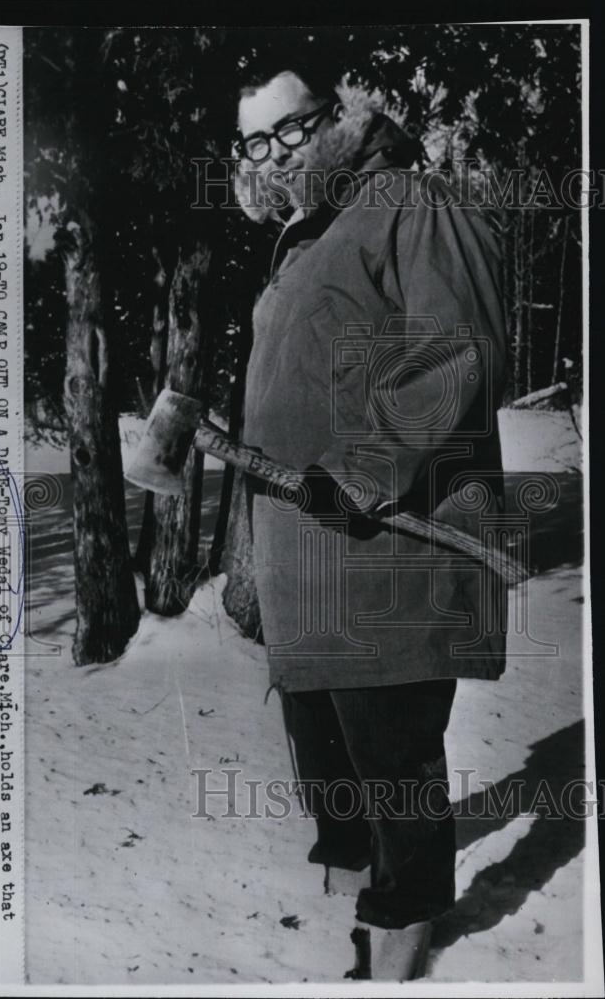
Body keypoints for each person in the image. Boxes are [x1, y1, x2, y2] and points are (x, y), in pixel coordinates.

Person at [232, 62, 508, 981]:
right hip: (306, 573)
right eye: (250, 143)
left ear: (329, 124)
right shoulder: (305, 243)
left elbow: (457, 352)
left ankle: (403, 938)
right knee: (331, 775)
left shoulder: (408, 202)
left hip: (390, 555)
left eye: (284, 131)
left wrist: (362, 469)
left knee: (394, 767)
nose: (268, 156)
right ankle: (347, 928)